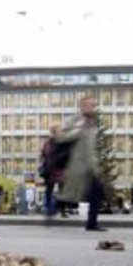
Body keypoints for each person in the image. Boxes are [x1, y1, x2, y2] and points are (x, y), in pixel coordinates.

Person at [56, 96, 105, 231]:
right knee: (70, 195)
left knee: (96, 193)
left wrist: (95, 166)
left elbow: (90, 147)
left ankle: (91, 223)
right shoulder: (74, 120)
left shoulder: (92, 123)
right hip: (77, 165)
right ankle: (54, 205)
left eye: (93, 105)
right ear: (82, 107)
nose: (92, 108)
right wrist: (80, 128)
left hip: (90, 167)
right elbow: (62, 137)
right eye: (89, 105)